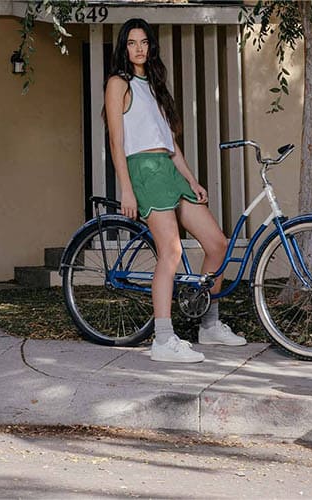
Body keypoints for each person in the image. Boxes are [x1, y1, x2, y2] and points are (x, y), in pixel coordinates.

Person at [104, 18, 245, 363]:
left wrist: (192, 180)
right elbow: (116, 141)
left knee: (218, 244)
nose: (138, 48)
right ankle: (163, 339)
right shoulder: (118, 84)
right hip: (143, 171)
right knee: (172, 252)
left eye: (144, 42)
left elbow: (171, 145)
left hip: (168, 170)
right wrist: (126, 189)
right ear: (124, 48)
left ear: (151, 46)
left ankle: (209, 325)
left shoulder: (153, 85)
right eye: (131, 43)